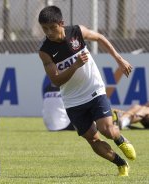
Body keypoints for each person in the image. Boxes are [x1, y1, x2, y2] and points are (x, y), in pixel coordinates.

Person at [38, 6, 136, 176]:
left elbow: (99, 37)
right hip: (72, 100)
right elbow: (56, 80)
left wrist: (119, 60)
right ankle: (121, 164)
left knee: (107, 130)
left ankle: (120, 139)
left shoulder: (77, 32)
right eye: (44, 29)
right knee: (92, 139)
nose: (48, 32)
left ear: (61, 23)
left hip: (94, 90)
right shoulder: (45, 51)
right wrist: (75, 65)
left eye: (52, 28)